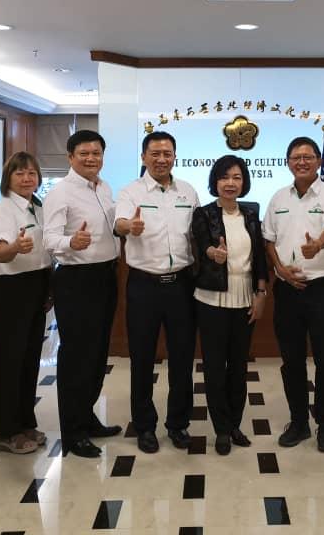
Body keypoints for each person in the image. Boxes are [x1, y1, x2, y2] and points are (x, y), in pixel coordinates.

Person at [115, 132, 199, 454]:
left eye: (167, 153)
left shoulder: (188, 192)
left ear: (175, 156)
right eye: (155, 153)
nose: (161, 159)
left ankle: (178, 424)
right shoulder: (130, 192)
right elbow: (121, 222)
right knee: (142, 358)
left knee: (182, 358)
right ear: (143, 157)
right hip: (143, 285)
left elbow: (198, 232)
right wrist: (128, 228)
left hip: (180, 285)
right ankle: (145, 426)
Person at [262, 136, 324, 452]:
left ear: (318, 161)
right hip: (287, 291)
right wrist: (279, 269)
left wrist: (318, 245)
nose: (302, 162)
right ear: (288, 162)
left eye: (308, 156)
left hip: (322, 288)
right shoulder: (278, 198)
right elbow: (268, 239)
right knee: (291, 360)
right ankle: (298, 422)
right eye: (296, 157)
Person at [43, 130, 121, 458]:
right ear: (70, 157)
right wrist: (70, 243)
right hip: (76, 280)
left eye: (97, 153)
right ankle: (72, 432)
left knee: (97, 353)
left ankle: (87, 417)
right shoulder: (60, 193)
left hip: (105, 275)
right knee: (76, 357)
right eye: (84, 153)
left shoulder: (103, 187)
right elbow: (49, 239)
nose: (91, 159)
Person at [191, 155, 269, 456]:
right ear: (215, 182)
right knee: (214, 367)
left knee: (238, 366)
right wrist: (213, 253)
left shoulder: (251, 215)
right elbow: (201, 244)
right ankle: (220, 429)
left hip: (244, 296)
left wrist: (261, 293)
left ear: (243, 182)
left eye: (236, 177)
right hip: (211, 299)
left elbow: (259, 258)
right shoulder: (203, 214)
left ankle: (235, 423)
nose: (230, 183)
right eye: (225, 177)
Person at [0, 152, 51, 456]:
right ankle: (5, 431)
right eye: (20, 174)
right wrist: (15, 246)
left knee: (29, 360)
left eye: (32, 173)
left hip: (36, 286)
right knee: (10, 363)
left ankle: (25, 422)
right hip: (11, 290)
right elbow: (0, 252)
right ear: (8, 178)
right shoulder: (4, 211)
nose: (27, 179)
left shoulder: (37, 206)